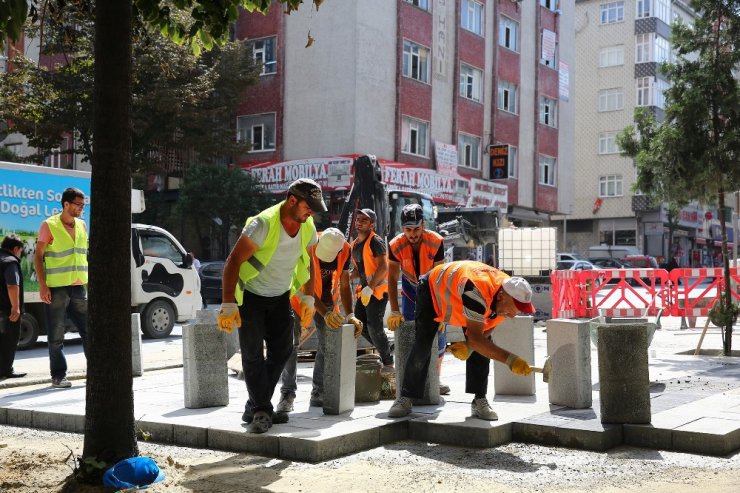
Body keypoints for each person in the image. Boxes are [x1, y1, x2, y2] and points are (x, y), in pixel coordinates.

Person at [217, 178, 325, 434]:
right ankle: (263, 411)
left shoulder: (307, 226)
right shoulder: (263, 224)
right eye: (307, 206)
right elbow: (233, 262)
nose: (311, 212)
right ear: (292, 200)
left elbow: (309, 261)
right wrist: (228, 302)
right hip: (252, 297)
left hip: (281, 296)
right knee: (252, 355)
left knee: (283, 350)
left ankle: (254, 403)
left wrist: (309, 296)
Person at [388, 261, 536, 421]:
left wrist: (469, 347)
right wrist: (511, 360)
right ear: (501, 296)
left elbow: (487, 330)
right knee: (423, 344)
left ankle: (479, 399)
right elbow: (477, 338)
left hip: (460, 298)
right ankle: (406, 397)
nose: (513, 315)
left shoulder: (506, 293)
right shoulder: (476, 289)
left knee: (484, 349)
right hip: (432, 290)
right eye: (515, 308)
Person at [276, 228, 363, 412]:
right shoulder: (306, 245)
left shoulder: (344, 249)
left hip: (327, 299)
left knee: (328, 343)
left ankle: (319, 391)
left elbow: (345, 283)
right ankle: (287, 394)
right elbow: (303, 284)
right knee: (291, 345)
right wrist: (325, 313)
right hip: (299, 297)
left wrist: (350, 315)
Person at [386, 204, 448, 394]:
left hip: (431, 287)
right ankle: (408, 378)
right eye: (407, 229)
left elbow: (440, 278)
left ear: (423, 224)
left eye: (416, 229)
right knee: (409, 330)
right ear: (402, 228)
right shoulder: (395, 245)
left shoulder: (436, 241)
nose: (412, 234)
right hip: (410, 287)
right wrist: (395, 310)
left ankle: (435, 378)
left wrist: (442, 312)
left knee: (439, 333)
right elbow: (391, 278)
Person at [34, 187, 89, 389]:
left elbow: (83, 256)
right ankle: (58, 376)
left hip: (78, 286)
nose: (82, 208)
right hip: (57, 287)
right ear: (66, 204)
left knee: (88, 330)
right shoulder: (49, 225)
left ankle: (95, 370)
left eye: (83, 205)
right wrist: (42, 285)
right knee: (56, 335)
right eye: (78, 204)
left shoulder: (82, 225)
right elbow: (38, 256)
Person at [350, 208, 393, 371]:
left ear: (372, 225)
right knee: (360, 325)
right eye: (358, 219)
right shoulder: (355, 245)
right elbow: (359, 270)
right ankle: (386, 351)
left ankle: (388, 362)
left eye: (364, 220)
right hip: (365, 292)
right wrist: (344, 278)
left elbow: (384, 267)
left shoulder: (376, 241)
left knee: (374, 326)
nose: (359, 222)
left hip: (378, 291)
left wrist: (371, 286)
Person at [1, 235, 27, 379]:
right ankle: (6, 370)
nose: (20, 254)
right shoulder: (11, 262)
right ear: (16, 248)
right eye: (20, 251)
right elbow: (12, 285)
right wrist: (15, 307)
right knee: (10, 340)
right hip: (6, 311)